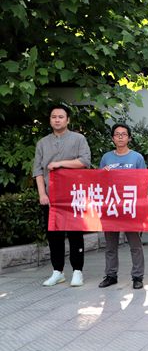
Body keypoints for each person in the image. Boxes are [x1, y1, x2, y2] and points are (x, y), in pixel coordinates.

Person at [33, 104, 91, 287]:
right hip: (51, 198)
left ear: (68, 120)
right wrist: (42, 194)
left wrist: (60, 164)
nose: (57, 120)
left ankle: (77, 271)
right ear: (50, 120)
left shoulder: (78, 139)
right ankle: (57, 271)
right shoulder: (42, 143)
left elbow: (84, 161)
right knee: (54, 235)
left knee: (75, 234)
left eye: (60, 117)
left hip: (73, 196)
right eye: (53, 117)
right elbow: (38, 171)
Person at [98, 123, 146, 290]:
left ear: (129, 138)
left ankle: (137, 277)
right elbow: (99, 183)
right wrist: (103, 174)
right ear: (113, 138)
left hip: (130, 206)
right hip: (111, 205)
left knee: (135, 244)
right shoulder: (106, 158)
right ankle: (111, 275)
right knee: (110, 245)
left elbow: (143, 182)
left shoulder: (137, 158)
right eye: (117, 134)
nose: (120, 137)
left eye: (124, 134)